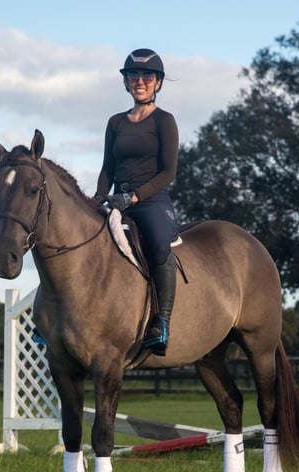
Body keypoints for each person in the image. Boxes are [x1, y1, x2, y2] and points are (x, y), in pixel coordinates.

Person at [93, 48, 179, 356]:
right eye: (133, 75)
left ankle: (161, 322)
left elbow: (169, 171)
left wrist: (135, 196)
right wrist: (99, 198)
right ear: (126, 82)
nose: (139, 81)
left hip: (151, 200)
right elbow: (107, 169)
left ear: (157, 82)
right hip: (116, 198)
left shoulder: (164, 121)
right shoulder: (115, 122)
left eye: (146, 76)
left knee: (157, 243)